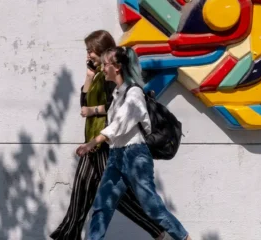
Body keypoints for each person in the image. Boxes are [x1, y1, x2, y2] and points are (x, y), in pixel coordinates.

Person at [50, 30, 170, 240]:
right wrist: (88, 77)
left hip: (106, 144)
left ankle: (159, 230)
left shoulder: (111, 77)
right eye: (87, 51)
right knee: (81, 196)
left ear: (101, 50)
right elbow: (83, 105)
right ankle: (68, 235)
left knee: (118, 196)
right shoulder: (97, 76)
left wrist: (93, 111)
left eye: (91, 51)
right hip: (93, 145)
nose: (88, 55)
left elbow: (114, 107)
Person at [76, 46, 192, 240]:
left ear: (118, 67)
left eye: (106, 65)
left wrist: (91, 143)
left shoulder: (134, 93)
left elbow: (119, 124)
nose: (103, 68)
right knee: (101, 205)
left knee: (152, 207)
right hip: (116, 157)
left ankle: (185, 238)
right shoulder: (117, 96)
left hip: (135, 156)